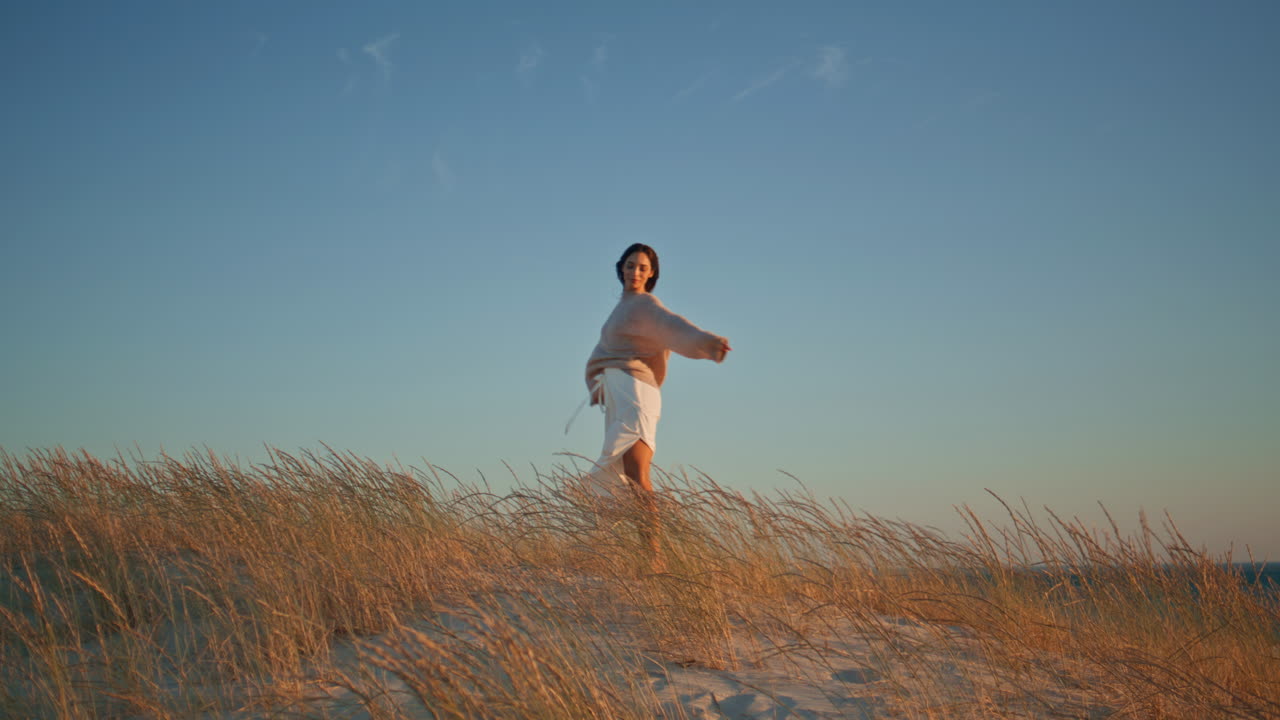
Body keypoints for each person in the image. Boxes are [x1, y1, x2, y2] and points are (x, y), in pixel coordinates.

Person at [581, 243, 731, 564]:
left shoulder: (645, 305)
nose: (635, 272)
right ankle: (637, 553)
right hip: (620, 395)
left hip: (636, 393)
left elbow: (674, 326)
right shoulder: (622, 308)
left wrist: (706, 342)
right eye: (631, 265)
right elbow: (607, 349)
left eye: (642, 268)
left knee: (638, 474)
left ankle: (655, 557)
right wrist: (597, 381)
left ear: (651, 275)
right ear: (621, 268)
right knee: (628, 476)